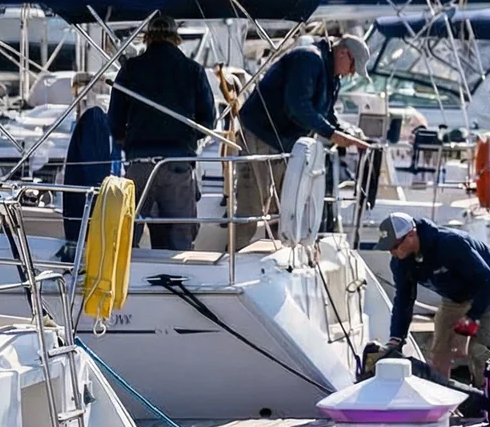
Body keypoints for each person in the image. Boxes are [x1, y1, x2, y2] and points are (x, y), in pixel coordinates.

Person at [233, 34, 370, 240]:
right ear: (343, 53)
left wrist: (348, 135)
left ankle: (274, 257)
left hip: (285, 143)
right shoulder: (309, 59)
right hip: (260, 135)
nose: (351, 73)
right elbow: (297, 107)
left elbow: (327, 114)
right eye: (352, 67)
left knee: (284, 206)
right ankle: (235, 255)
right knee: (252, 204)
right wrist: (332, 134)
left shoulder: (331, 75)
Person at [109, 14, 215, 250]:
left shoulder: (130, 70)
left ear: (148, 38)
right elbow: (208, 122)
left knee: (128, 235)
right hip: (177, 162)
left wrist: (129, 139)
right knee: (180, 236)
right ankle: (179, 279)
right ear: (175, 38)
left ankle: (128, 282)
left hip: (140, 163)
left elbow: (114, 122)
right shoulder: (193, 70)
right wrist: (185, 136)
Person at [377, 212, 490, 387]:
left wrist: (471, 318)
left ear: (411, 235)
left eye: (394, 246)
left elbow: (488, 282)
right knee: (440, 349)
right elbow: (404, 300)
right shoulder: (399, 263)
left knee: (479, 351)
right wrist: (397, 337)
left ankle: (485, 397)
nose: (391, 252)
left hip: (489, 289)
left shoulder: (450, 244)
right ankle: (441, 392)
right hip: (454, 295)